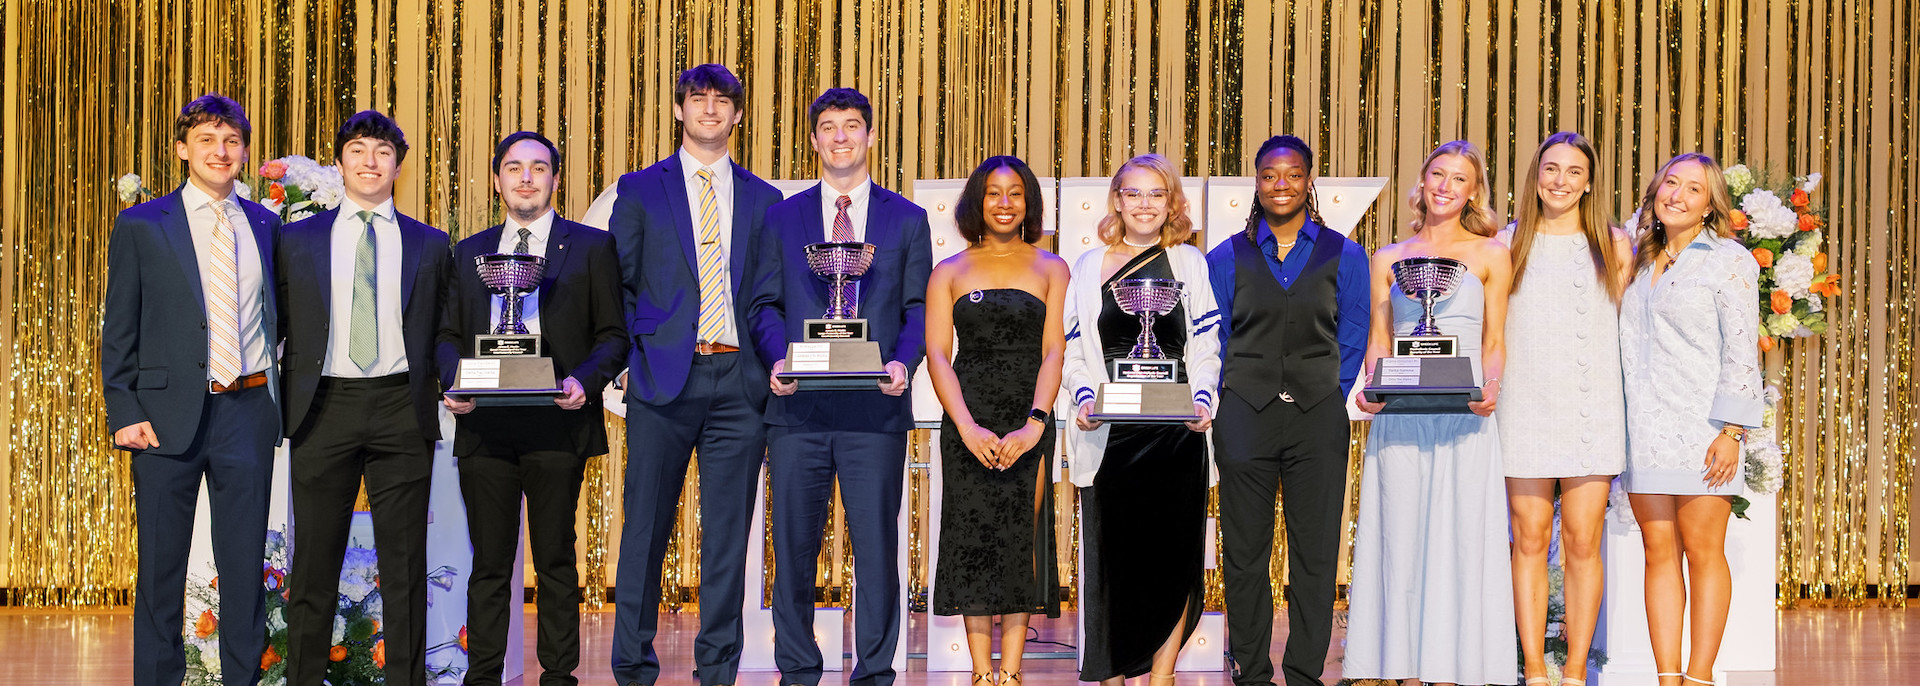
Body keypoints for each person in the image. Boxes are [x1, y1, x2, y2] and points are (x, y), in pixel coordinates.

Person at [748, 87, 933, 686]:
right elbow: (763, 304)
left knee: (876, 550)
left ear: (871, 136)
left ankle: (875, 670)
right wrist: (778, 359)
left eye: (852, 126)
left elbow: (917, 310)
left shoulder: (908, 219)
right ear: (814, 139)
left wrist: (904, 364)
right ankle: (798, 668)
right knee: (794, 551)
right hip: (798, 409)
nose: (841, 137)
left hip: (874, 411)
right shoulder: (782, 215)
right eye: (828, 127)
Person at [608, 64, 784, 686]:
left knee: (728, 539)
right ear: (679, 110)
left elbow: (771, 294)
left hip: (741, 383)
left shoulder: (765, 199)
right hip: (661, 379)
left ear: (738, 115)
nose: (709, 109)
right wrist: (628, 362)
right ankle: (631, 666)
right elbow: (618, 284)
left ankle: (717, 670)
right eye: (697, 99)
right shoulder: (639, 189)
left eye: (722, 101)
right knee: (644, 532)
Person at [102, 93, 282, 686]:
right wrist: (123, 409)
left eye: (231, 141)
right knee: (160, 569)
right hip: (160, 418)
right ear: (183, 150)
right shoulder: (141, 224)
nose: (220, 151)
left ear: (245, 153)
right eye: (206, 140)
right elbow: (119, 326)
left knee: (242, 567)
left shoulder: (266, 225)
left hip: (247, 411)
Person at [435, 131, 626, 686]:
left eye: (538, 168)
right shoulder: (469, 252)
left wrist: (584, 383)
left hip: (557, 422)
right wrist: (454, 381)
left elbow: (613, 335)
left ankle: (559, 674)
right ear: (497, 179)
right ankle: (484, 675)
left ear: (555, 179)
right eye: (514, 167)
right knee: (490, 563)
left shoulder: (590, 247)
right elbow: (446, 334)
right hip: (485, 425)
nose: (526, 177)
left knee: (556, 559)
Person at [277, 110, 454, 686]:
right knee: (313, 567)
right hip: (322, 408)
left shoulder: (430, 244)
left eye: (382, 151)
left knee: (404, 569)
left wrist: (462, 383)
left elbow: (445, 330)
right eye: (358, 150)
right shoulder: (296, 238)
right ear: (341, 162)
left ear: (398, 166)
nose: (370, 161)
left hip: (401, 408)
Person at [1347, 140, 1516, 686]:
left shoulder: (1491, 253)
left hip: (1464, 413)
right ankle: (1403, 666)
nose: (1445, 186)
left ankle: (1455, 667)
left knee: (1461, 535)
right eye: (1437, 175)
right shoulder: (1388, 258)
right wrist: (1371, 390)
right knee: (1401, 535)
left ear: (1473, 192)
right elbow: (1381, 339)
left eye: (1459, 178)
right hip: (1401, 416)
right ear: (1422, 183)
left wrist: (1490, 388)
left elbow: (1494, 339)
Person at [1204, 135, 1370, 686]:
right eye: (1270, 175)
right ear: (1256, 181)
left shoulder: (1344, 253)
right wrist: (1237, 392)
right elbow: (1214, 336)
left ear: (1309, 180)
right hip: (1243, 416)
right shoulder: (1224, 256)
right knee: (1245, 556)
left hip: (1317, 418)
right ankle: (1250, 672)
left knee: (1316, 556)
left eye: (1293, 174)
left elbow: (1352, 333)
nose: (1282, 184)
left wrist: (1325, 389)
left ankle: (1303, 673)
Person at [1061, 153, 1221, 686]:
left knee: (1173, 560)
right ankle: (1112, 675)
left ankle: (1162, 676)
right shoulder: (1089, 267)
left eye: (1156, 194)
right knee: (1114, 563)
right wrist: (1085, 400)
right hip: (1111, 435)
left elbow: (1206, 345)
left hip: (1177, 434)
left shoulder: (1190, 264)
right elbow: (1075, 349)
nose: (1145, 204)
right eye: (1134, 193)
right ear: (1117, 200)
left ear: (1172, 201)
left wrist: (1202, 400)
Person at [924, 156, 1070, 686]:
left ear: (1028, 202)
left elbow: (1054, 350)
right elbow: (938, 355)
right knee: (972, 538)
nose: (1004, 203)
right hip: (968, 420)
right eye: (992, 193)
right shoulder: (950, 271)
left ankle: (1012, 673)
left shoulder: (1052, 268)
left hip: (1028, 419)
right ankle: (980, 673)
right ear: (976, 203)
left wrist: (1035, 423)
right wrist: (965, 426)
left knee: (1018, 540)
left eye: (1014, 193)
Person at [1619, 153, 1761, 686]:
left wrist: (1731, 431)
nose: (1676, 195)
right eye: (1670, 183)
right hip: (1644, 432)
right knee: (1658, 553)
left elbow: (1743, 351)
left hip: (1704, 431)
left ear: (1709, 205)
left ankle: (1700, 676)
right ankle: (1667, 677)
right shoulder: (1633, 260)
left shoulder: (1728, 260)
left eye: (1693, 189)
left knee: (1704, 553)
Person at [1496, 132, 1632, 686]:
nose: (1560, 181)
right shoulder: (1507, 242)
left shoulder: (1614, 244)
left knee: (1582, 541)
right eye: (1551, 169)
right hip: (1523, 406)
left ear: (1589, 183)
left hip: (1590, 407)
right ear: (1535, 176)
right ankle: (1534, 666)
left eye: (1573, 172)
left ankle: (1575, 670)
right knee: (1527, 539)